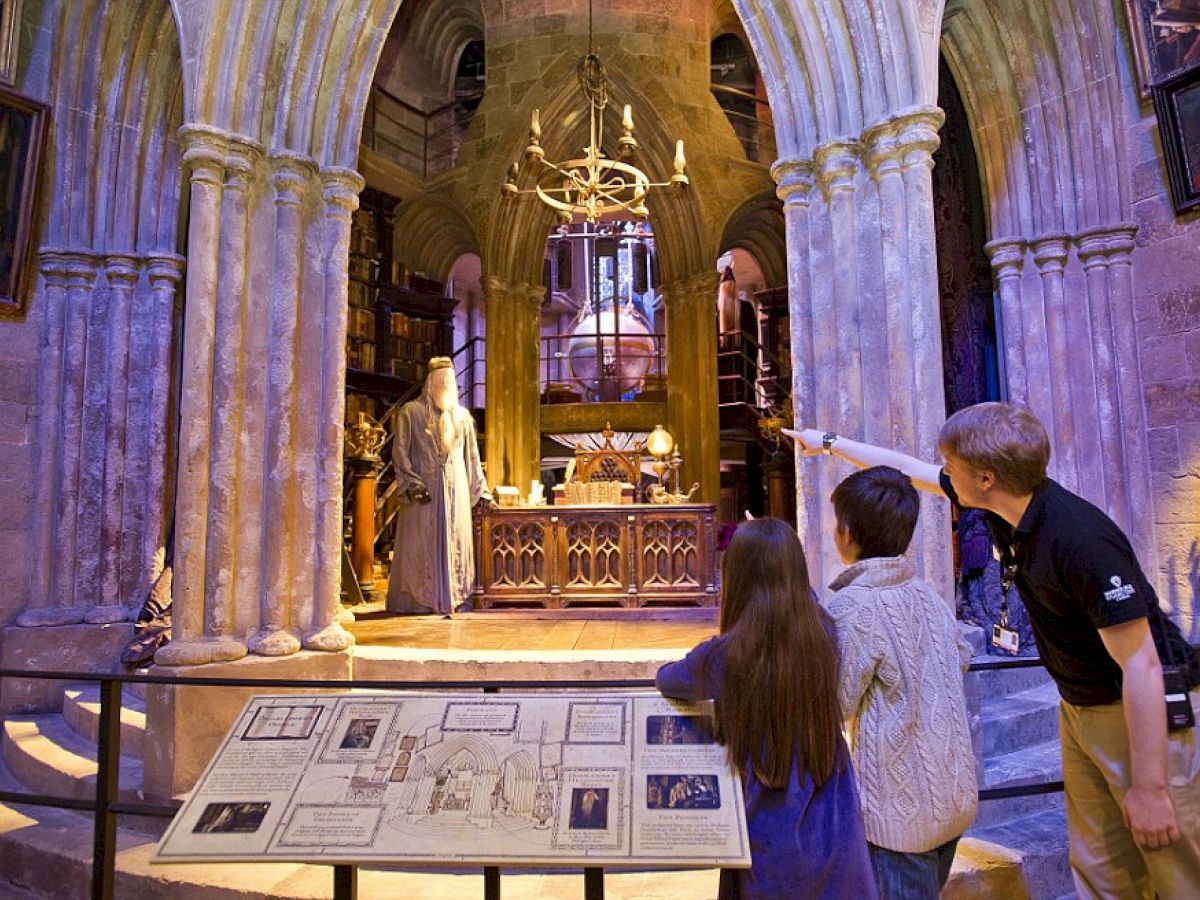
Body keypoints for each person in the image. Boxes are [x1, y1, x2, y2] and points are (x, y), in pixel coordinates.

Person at [787, 403, 1200, 898]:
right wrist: (828, 442)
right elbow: (906, 469)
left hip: (1139, 709)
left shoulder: (1080, 539)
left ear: (985, 477)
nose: (941, 471)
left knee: (1172, 862)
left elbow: (1143, 663)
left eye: (950, 462)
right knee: (1100, 864)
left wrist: (1152, 787)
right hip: (1080, 706)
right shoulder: (1004, 507)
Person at [656, 517, 878, 900]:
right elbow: (803, 599)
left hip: (769, 827)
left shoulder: (726, 655)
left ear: (736, 577)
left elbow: (668, 678)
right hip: (833, 826)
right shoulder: (823, 631)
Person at [824, 466, 977, 898]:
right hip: (952, 793)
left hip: (899, 814)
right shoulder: (925, 593)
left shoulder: (854, 607)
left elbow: (836, 704)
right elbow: (960, 654)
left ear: (848, 533)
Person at [387, 357, 493, 615]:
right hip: (424, 493)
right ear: (429, 384)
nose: (445, 385)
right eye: (440, 381)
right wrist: (411, 483)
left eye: (450, 381)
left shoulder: (463, 417)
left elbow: (472, 458)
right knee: (419, 544)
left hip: (456, 494)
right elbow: (400, 452)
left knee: (457, 543)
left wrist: (481, 491)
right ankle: (418, 602)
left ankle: (456, 598)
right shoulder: (410, 413)